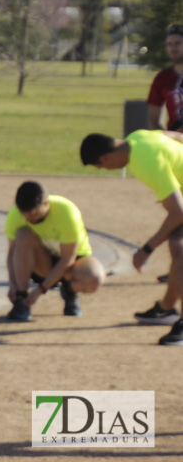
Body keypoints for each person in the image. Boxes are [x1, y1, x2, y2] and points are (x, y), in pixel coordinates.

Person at [81, 130, 183, 344]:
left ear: (105, 158)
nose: (104, 170)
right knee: (177, 244)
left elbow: (178, 212)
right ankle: (166, 308)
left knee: (178, 244)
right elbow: (175, 135)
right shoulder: (137, 137)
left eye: (101, 167)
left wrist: (146, 249)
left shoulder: (144, 161)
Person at [4, 181, 105, 321]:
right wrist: (13, 284)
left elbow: (67, 259)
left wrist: (40, 290)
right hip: (42, 263)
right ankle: (22, 300)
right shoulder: (15, 215)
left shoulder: (67, 212)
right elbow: (11, 254)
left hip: (71, 265)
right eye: (24, 214)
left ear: (46, 204)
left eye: (33, 214)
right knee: (23, 234)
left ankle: (69, 291)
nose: (28, 219)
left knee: (94, 278)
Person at [146, 24, 183, 130]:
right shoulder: (162, 78)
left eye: (177, 43)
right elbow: (153, 120)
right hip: (175, 143)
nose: (173, 48)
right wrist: (165, 140)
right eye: (169, 44)